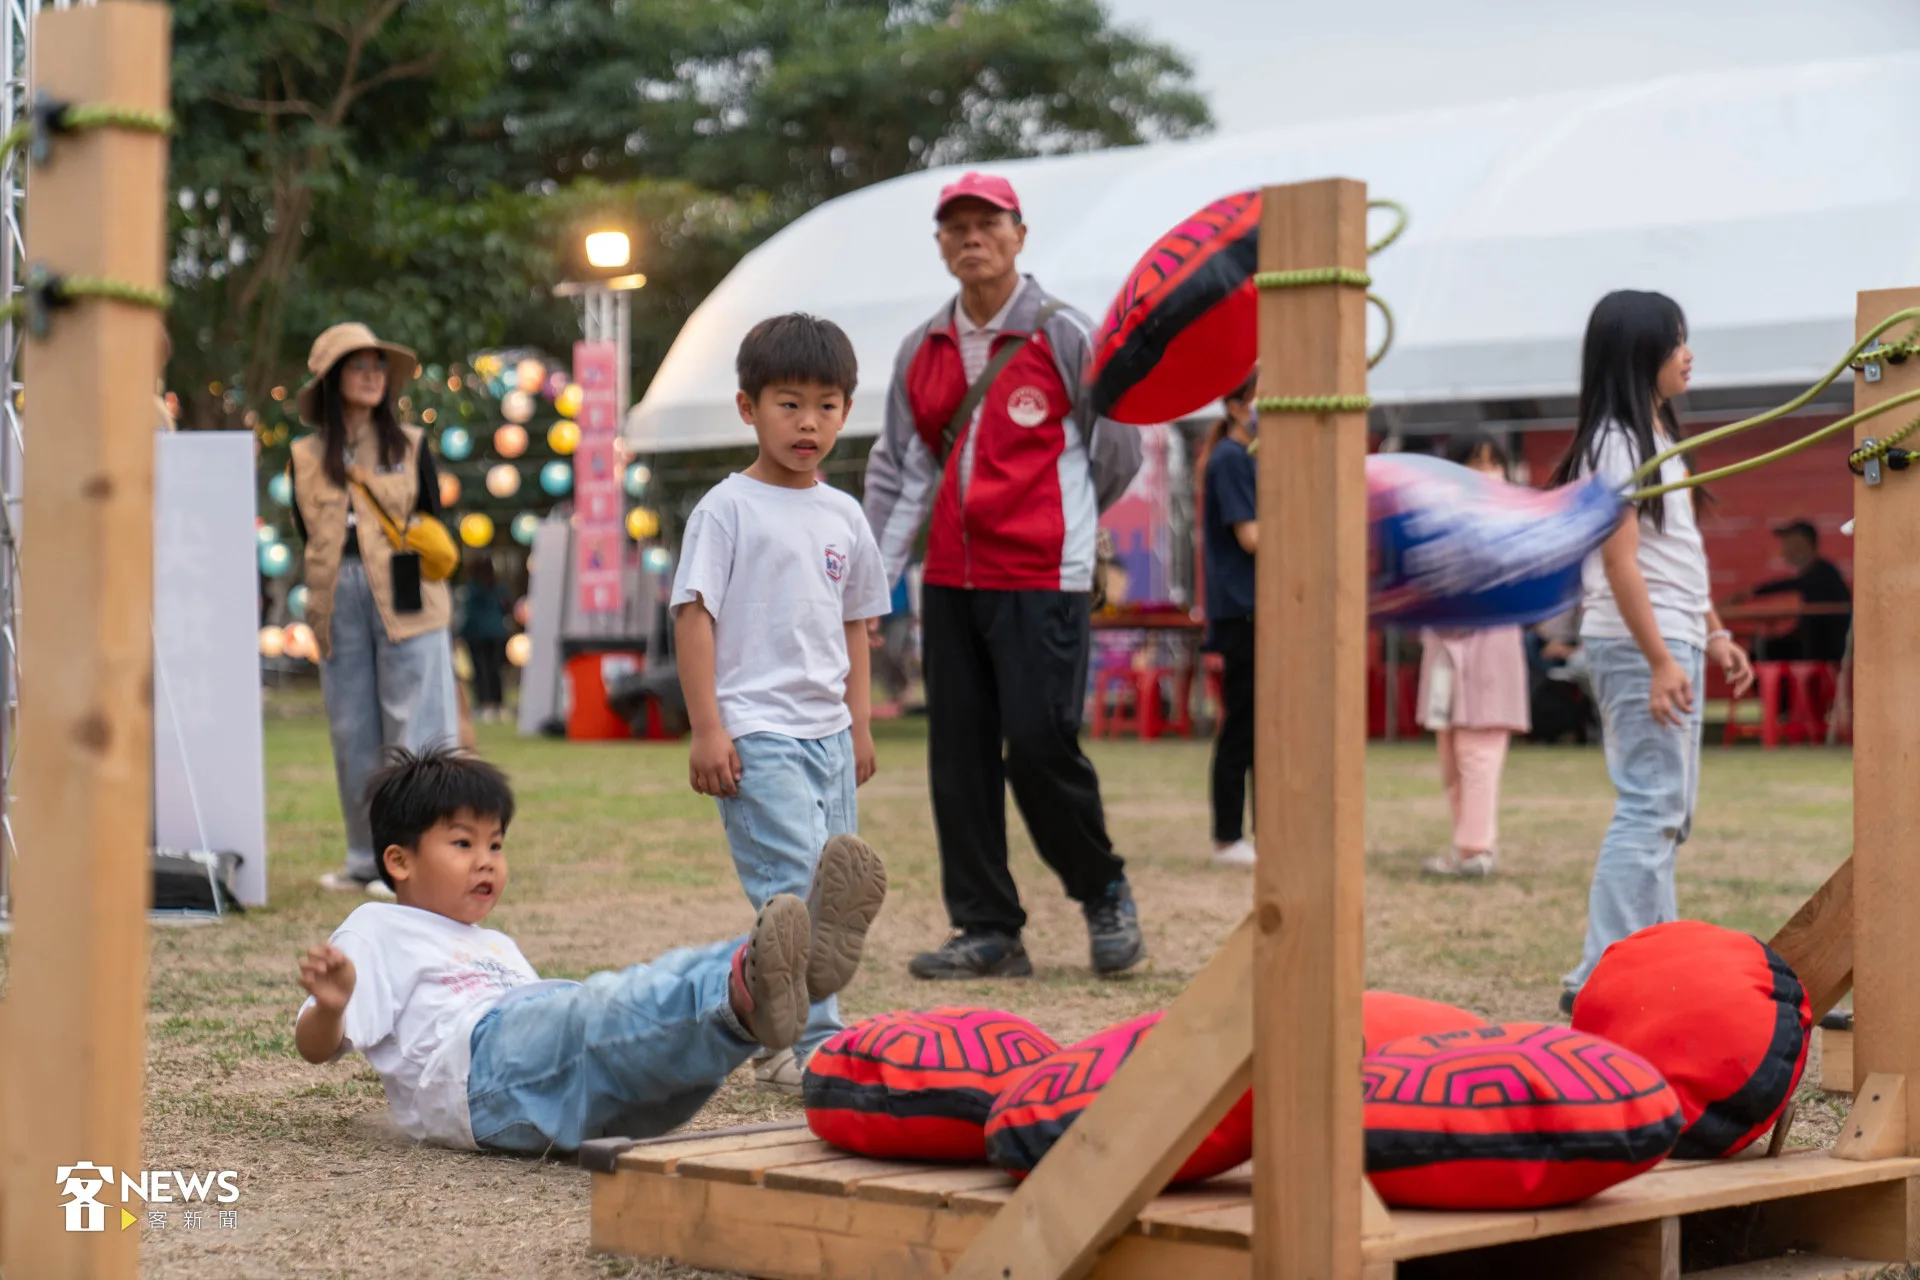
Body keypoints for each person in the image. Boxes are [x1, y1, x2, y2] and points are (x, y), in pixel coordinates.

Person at [293, 746, 889, 1152]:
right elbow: (317, 1049)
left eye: (496, 845)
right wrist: (331, 1005)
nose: (487, 862)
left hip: (543, 1072)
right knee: (615, 1009)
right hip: (478, 1073)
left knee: (643, 1031)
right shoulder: (378, 927)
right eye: (462, 843)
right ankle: (748, 984)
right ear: (398, 860)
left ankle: (777, 976)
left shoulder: (495, 942)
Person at [862, 171, 1145, 980]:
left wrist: (1066, 533)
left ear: (1020, 234)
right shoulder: (923, 349)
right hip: (950, 578)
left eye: (987, 222)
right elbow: (900, 470)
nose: (970, 238)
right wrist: (874, 586)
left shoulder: (1066, 336)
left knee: (1042, 743)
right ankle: (988, 927)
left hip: (1042, 578)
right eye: (954, 227)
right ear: (940, 244)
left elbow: (1115, 451)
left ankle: (1103, 890)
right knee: (957, 754)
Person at [671, 313, 893, 1094]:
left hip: (829, 735)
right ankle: (814, 1042)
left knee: (831, 890)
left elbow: (857, 626)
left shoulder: (844, 514)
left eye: (827, 406)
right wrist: (708, 729)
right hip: (756, 732)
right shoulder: (726, 509)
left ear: (846, 411)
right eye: (788, 403)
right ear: (747, 408)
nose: (808, 423)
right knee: (799, 892)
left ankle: (781, 1027)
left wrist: (859, 724)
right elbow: (693, 616)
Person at [1547, 291, 1754, 1014]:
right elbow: (1621, 563)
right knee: (1650, 805)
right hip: (1640, 644)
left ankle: (1649, 958)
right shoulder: (1616, 440)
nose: (1688, 353)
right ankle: (1598, 975)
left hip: (1670, 634)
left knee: (1669, 809)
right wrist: (1663, 658)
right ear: (1640, 355)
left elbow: (1676, 558)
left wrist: (1715, 631)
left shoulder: (1655, 434)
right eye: (1675, 342)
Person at [288, 322, 458, 898]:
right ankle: (364, 859)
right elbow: (303, 530)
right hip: (338, 598)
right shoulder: (304, 454)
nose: (371, 374)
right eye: (357, 365)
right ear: (333, 379)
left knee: (414, 728)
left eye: (377, 365)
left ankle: (408, 863)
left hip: (409, 596)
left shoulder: (409, 443)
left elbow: (436, 516)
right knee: (351, 730)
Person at [1418, 433, 1531, 877]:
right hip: (1446, 651)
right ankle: (1467, 845)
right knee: (1451, 757)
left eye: (1492, 462)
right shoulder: (1439, 519)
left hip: (1489, 650)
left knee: (1478, 752)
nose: (1485, 471)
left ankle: (1475, 849)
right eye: (1475, 461)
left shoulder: (1515, 519)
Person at [1198, 372, 1259, 869]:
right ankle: (1227, 834)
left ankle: (1256, 829)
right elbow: (1252, 537)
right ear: (1237, 406)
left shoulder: (1244, 459)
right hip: (1242, 610)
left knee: (1258, 724)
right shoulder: (1231, 460)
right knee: (1242, 722)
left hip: (1252, 608)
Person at [1731, 519, 1851, 662]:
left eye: (1792, 544)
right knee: (1762, 648)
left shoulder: (1824, 572)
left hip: (1824, 648)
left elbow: (1790, 584)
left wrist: (1750, 593)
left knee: (1762, 651)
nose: (1786, 550)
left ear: (1807, 545)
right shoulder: (1815, 572)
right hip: (1811, 641)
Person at [460, 557, 512, 723]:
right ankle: (498, 703)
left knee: (480, 669)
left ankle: (484, 703)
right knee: (495, 670)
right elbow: (506, 608)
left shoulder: (473, 587)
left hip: (477, 633)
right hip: (497, 632)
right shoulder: (499, 587)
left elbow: (468, 611)